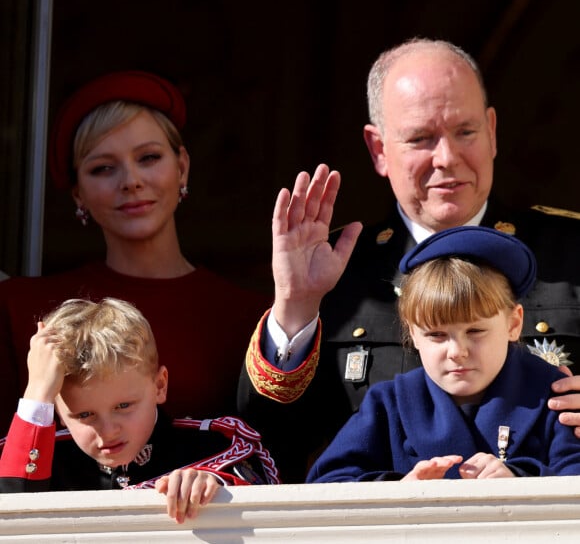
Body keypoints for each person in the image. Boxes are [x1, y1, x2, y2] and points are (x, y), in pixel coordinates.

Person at [238, 38, 580, 483]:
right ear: (379, 149)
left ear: (493, 131)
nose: (447, 158)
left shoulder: (571, 252)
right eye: (421, 138)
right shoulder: (335, 269)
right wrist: (296, 305)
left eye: (466, 132)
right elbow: (267, 444)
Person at [0, 70, 268, 435]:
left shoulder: (250, 316)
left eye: (148, 158)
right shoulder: (20, 310)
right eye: (103, 168)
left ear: (182, 167)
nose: (130, 181)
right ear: (78, 193)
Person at [307, 227, 580, 483]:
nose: (457, 352)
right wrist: (398, 491)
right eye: (436, 335)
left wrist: (521, 480)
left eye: (475, 331)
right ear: (412, 332)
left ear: (513, 323)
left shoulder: (553, 398)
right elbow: (327, 484)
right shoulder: (389, 403)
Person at [0, 298, 279, 524]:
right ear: (57, 411)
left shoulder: (212, 448)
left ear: (160, 385)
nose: (108, 431)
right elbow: (11, 517)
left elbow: (274, 515)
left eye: (123, 406)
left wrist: (217, 488)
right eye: (84, 415)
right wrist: (37, 393)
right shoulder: (45, 458)